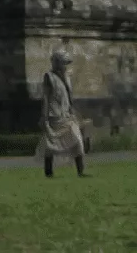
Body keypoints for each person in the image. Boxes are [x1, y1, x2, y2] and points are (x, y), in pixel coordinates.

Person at [38, 50, 87, 178]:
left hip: (67, 115)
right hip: (54, 115)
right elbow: (46, 98)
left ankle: (80, 171)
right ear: (57, 63)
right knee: (50, 145)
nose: (65, 66)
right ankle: (48, 172)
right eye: (63, 63)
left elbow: (69, 97)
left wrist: (74, 111)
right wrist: (45, 117)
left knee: (77, 141)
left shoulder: (67, 77)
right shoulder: (49, 77)